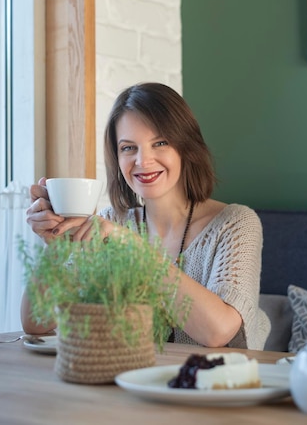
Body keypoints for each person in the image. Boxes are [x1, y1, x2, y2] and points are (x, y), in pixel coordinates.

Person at [21, 82, 270, 349]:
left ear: (186, 147)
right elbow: (37, 322)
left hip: (215, 385)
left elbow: (217, 332)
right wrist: (58, 246)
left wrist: (135, 251)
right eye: (129, 148)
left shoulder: (234, 224)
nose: (143, 160)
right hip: (128, 383)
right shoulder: (111, 224)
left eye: (160, 143)